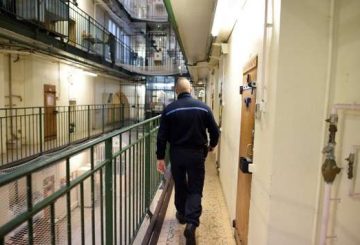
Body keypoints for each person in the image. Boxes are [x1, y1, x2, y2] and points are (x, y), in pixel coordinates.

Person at [156, 77, 220, 245]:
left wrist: (160, 157)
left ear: (176, 91)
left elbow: (161, 136)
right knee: (195, 187)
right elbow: (215, 131)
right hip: (196, 154)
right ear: (190, 89)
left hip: (177, 153)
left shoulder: (169, 110)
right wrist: (212, 145)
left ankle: (182, 214)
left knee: (180, 184)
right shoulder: (204, 108)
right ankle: (192, 223)